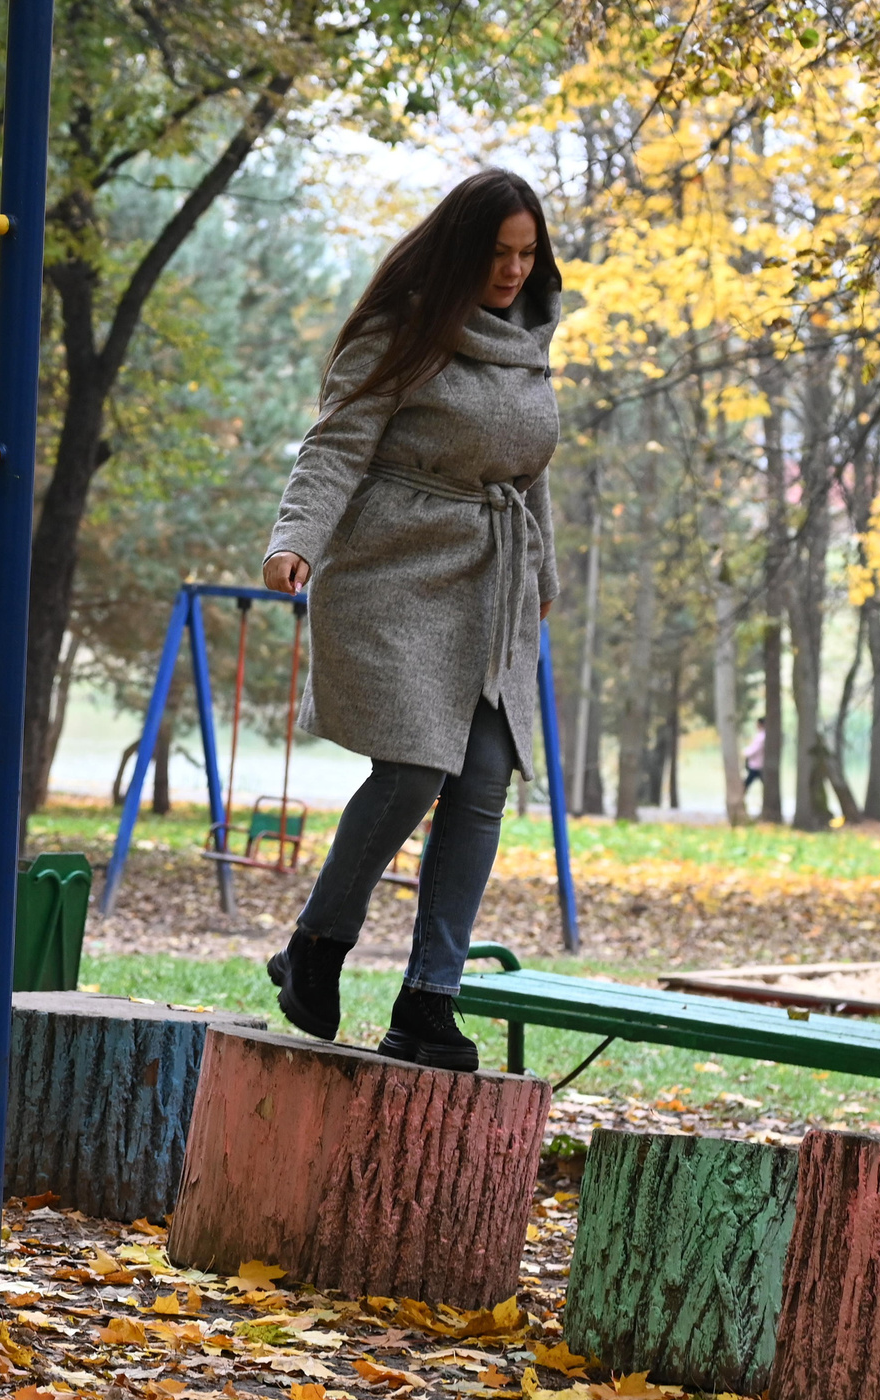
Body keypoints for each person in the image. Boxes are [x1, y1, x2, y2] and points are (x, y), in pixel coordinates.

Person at [259, 168, 562, 1070]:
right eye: (497, 254)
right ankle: (318, 944)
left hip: (493, 581)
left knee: (482, 784)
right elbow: (336, 442)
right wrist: (295, 537)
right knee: (418, 766)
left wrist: (544, 566)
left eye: (526, 252)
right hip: (393, 571)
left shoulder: (529, 338)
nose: (513, 270)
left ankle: (429, 998)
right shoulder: (404, 331)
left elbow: (532, 468)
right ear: (462, 249)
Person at [743, 718, 768, 802]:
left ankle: (741, 799)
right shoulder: (762, 735)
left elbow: (753, 750)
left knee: (746, 784)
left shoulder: (762, 736)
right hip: (757, 765)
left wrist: (744, 753)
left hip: (757, 766)